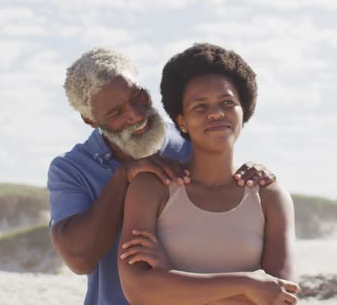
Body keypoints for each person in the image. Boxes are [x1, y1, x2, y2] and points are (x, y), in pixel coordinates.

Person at [48, 47, 278, 305]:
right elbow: (79, 259)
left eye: (138, 97)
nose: (135, 114)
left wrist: (253, 172)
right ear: (90, 119)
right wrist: (123, 177)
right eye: (116, 113)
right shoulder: (72, 169)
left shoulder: (189, 139)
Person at [118, 43, 299, 304]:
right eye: (199, 107)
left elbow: (281, 298)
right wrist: (247, 284)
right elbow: (138, 291)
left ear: (243, 110)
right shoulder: (151, 188)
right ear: (181, 121)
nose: (216, 113)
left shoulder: (270, 196)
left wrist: (169, 279)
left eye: (227, 102)